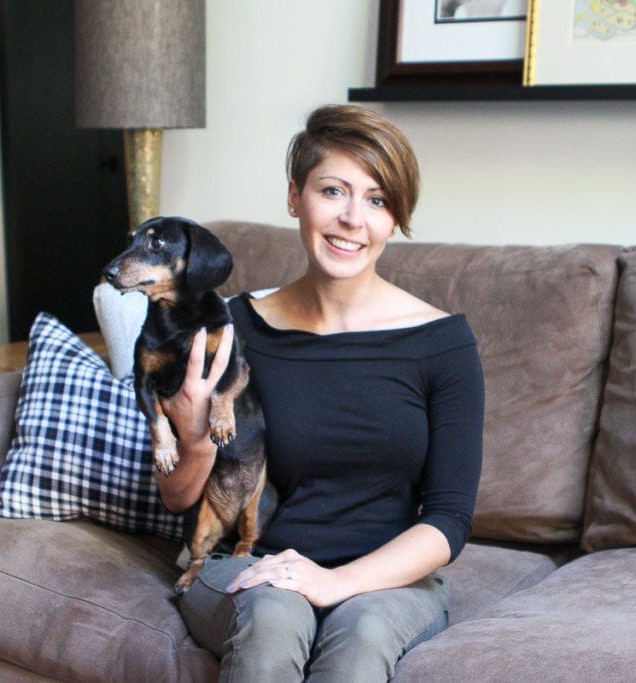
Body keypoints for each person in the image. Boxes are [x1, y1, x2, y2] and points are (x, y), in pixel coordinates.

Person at [156, 104, 484, 681]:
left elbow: (450, 519)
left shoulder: (442, 343)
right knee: (275, 615)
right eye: (333, 191)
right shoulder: (231, 330)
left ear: (394, 217)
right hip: (250, 561)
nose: (353, 218)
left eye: (378, 200)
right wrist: (195, 439)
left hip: (387, 579)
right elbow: (178, 500)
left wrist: (334, 584)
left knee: (363, 632)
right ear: (294, 197)